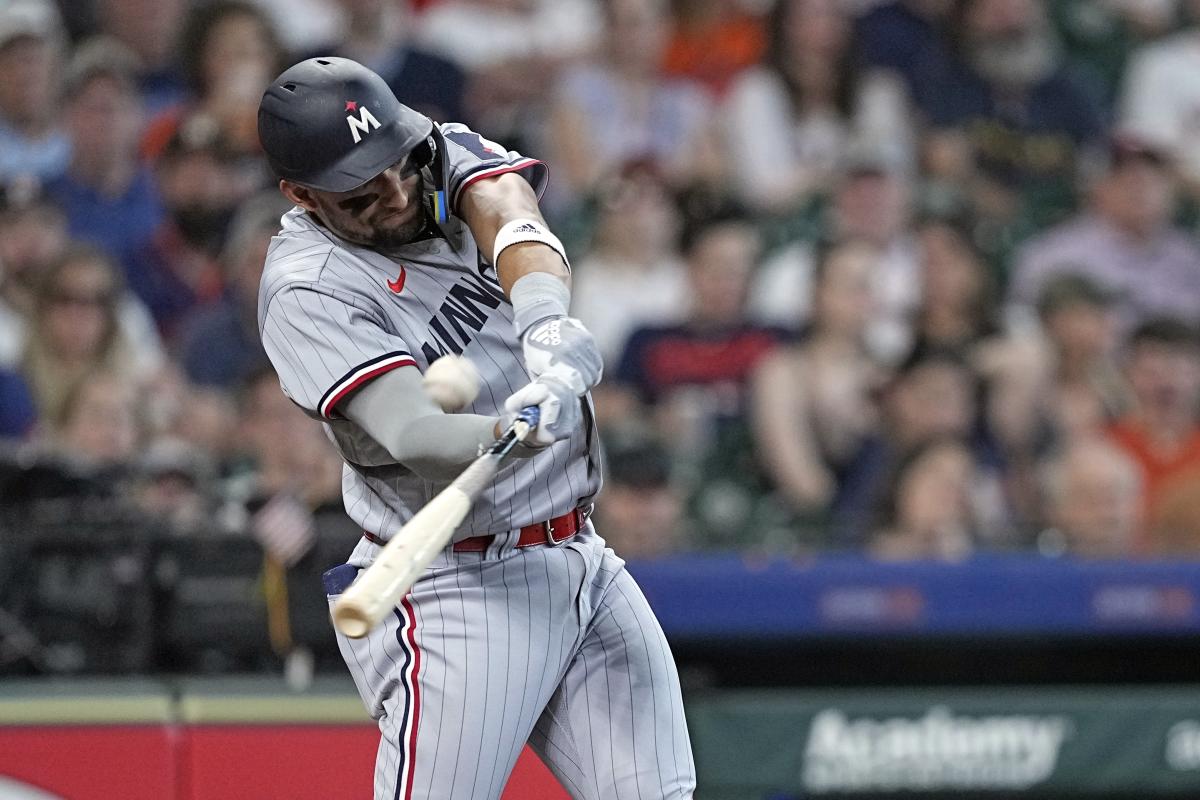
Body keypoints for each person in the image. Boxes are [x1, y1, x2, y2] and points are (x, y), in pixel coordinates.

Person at [254, 57, 694, 799]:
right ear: (302, 195)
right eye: (362, 193)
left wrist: (546, 320)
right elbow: (416, 436)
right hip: (458, 584)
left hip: (579, 552)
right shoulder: (306, 287)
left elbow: (506, 203)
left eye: (396, 165)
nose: (395, 193)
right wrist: (515, 429)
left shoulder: (422, 149)